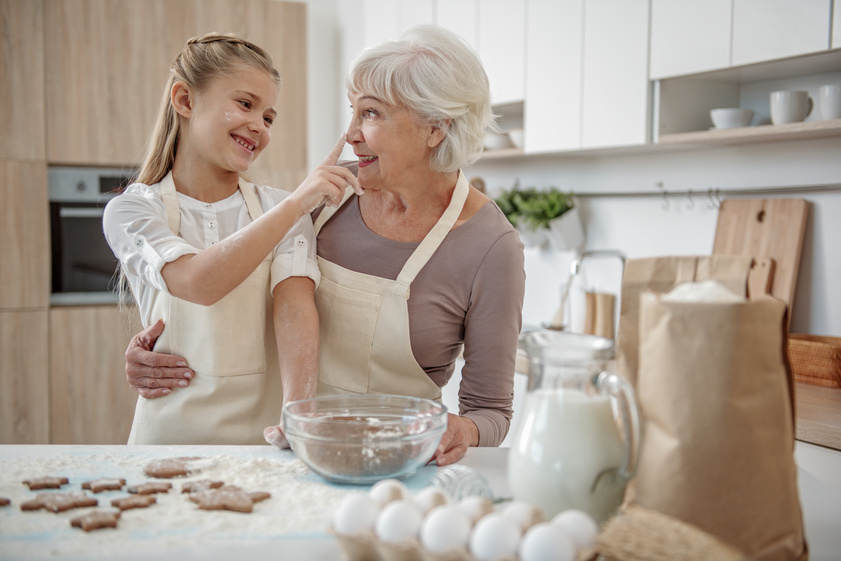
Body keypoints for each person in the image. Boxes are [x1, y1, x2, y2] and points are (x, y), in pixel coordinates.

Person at [123, 25, 525, 465]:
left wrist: (462, 429)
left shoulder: (491, 247)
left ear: (435, 127)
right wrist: (160, 348)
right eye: (352, 111)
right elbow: (240, 291)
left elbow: (491, 412)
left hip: (398, 464)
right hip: (294, 453)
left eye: (370, 114)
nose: (349, 134)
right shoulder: (324, 200)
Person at [103, 32, 360, 445]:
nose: (259, 125)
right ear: (185, 100)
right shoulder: (133, 211)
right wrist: (296, 204)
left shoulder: (281, 211)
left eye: (269, 117)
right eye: (245, 104)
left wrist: (298, 416)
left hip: (263, 442)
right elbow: (198, 283)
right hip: (165, 443)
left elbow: (295, 310)